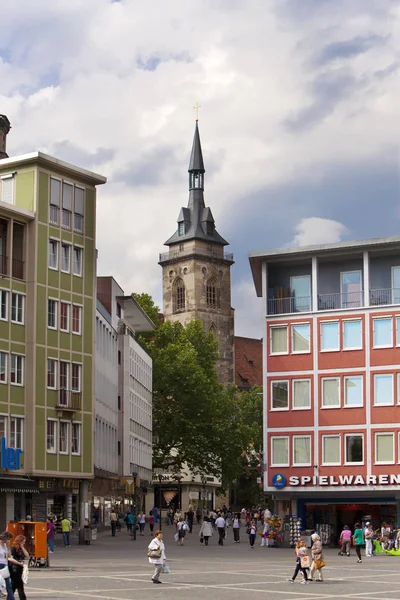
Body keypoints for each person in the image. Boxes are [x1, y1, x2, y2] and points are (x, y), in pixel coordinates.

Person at [9, 534, 29, 600]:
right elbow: (10, 558)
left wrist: (22, 547)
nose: (23, 543)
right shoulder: (13, 548)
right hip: (14, 569)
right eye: (22, 542)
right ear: (19, 541)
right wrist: (19, 563)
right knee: (20, 586)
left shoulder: (21, 549)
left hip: (20, 569)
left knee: (13, 586)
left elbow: (27, 555)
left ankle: (9, 598)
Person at [0, 532, 16, 600]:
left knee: (8, 585)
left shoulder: (5, 545)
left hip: (5, 566)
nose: (8, 541)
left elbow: (9, 556)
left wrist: (8, 546)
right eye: (8, 539)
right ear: (4, 538)